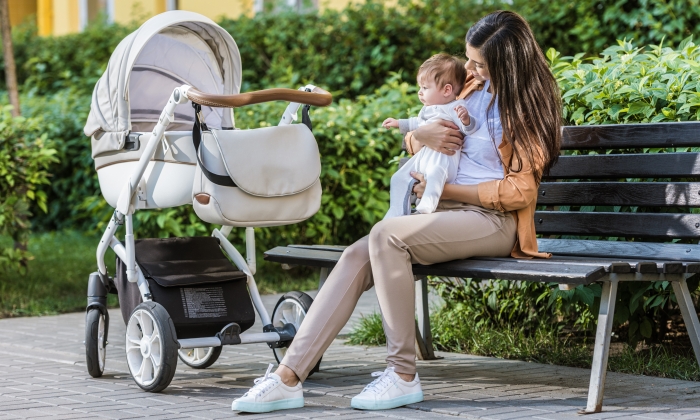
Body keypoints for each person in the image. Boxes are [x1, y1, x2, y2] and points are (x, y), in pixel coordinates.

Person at [231, 10, 562, 413]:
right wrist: (417, 135)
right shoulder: (472, 87)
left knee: (385, 236)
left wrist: (445, 192)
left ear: (508, 63)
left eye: (479, 62)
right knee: (358, 253)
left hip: (493, 221)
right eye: (469, 59)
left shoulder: (526, 106)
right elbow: (428, 133)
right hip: (443, 210)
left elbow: (519, 192)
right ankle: (287, 378)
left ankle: (403, 374)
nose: (470, 69)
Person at [382, 53, 478, 218]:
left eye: (425, 88)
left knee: (435, 174)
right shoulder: (428, 108)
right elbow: (417, 123)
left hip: (444, 159)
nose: (420, 92)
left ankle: (427, 205)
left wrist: (466, 120)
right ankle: (395, 212)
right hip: (426, 156)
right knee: (398, 178)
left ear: (447, 90)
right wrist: (398, 123)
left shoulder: (456, 107)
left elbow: (469, 129)